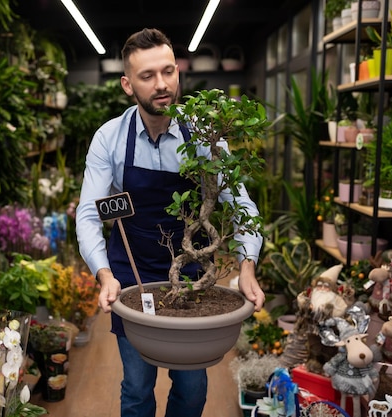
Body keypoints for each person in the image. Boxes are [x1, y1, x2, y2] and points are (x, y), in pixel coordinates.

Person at [75, 28, 265, 417]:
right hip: (130, 276)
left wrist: (247, 267)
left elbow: (239, 201)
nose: (162, 84)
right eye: (147, 76)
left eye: (168, 71)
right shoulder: (109, 139)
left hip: (192, 273)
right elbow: (89, 213)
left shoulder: (206, 138)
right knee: (138, 387)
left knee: (193, 389)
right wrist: (104, 274)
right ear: (128, 84)